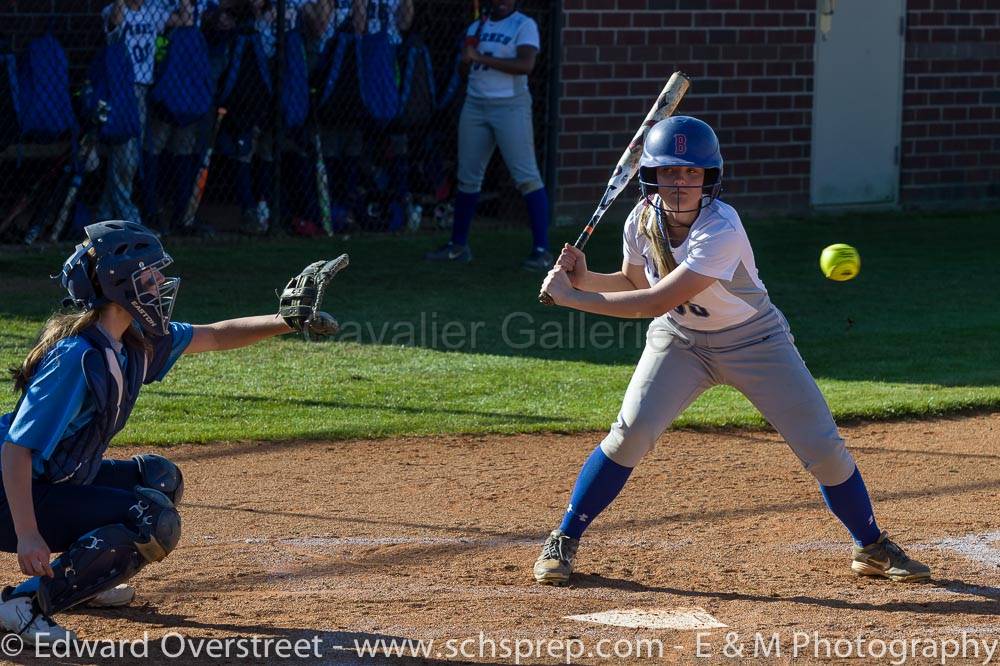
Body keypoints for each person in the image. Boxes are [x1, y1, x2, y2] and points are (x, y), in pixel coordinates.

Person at [532, 116, 931, 586]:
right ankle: (564, 537)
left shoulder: (720, 227)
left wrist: (573, 299)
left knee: (822, 447)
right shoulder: (640, 220)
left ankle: (871, 546)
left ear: (709, 179)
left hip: (755, 340)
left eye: (691, 173)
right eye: (670, 172)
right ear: (652, 176)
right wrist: (584, 279)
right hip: (680, 341)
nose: (680, 183)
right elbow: (637, 281)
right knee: (630, 434)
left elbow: (655, 301)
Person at [0, 220, 342, 644]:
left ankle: (84, 583)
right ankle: (26, 604)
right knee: (152, 522)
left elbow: (215, 336)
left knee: (159, 480)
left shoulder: (136, 340)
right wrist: (29, 533)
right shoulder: (78, 358)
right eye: (149, 273)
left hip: (50, 480)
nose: (160, 280)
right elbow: (16, 450)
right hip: (11, 492)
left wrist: (286, 320)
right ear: (117, 282)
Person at [425, 0, 550, 270]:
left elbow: (525, 64)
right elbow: (463, 71)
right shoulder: (476, 26)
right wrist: (466, 58)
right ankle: (458, 247)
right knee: (468, 177)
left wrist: (481, 57)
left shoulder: (524, 25)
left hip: (510, 106)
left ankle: (542, 250)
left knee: (526, 176)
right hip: (475, 105)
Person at [99, 0, 193, 226]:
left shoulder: (153, 11)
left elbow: (187, 21)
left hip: (145, 89)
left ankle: (105, 215)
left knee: (128, 157)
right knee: (126, 157)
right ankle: (127, 215)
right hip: (122, 88)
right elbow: (116, 22)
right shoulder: (114, 10)